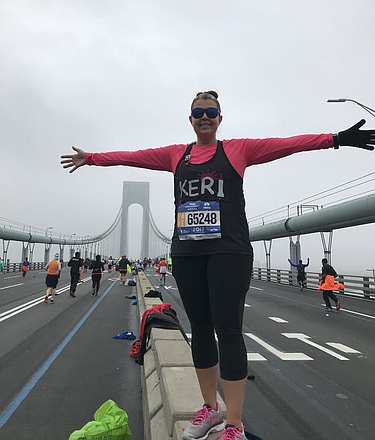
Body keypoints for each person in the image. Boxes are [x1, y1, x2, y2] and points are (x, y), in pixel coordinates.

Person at [61, 90, 375, 439]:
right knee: (202, 330)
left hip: (229, 252)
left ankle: (235, 425)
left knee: (228, 331)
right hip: (187, 254)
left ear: (220, 118)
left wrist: (335, 139)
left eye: (211, 111)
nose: (205, 116)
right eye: (198, 112)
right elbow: (132, 157)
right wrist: (92, 158)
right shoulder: (175, 155)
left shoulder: (238, 150)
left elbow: (288, 144)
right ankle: (209, 409)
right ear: (191, 119)